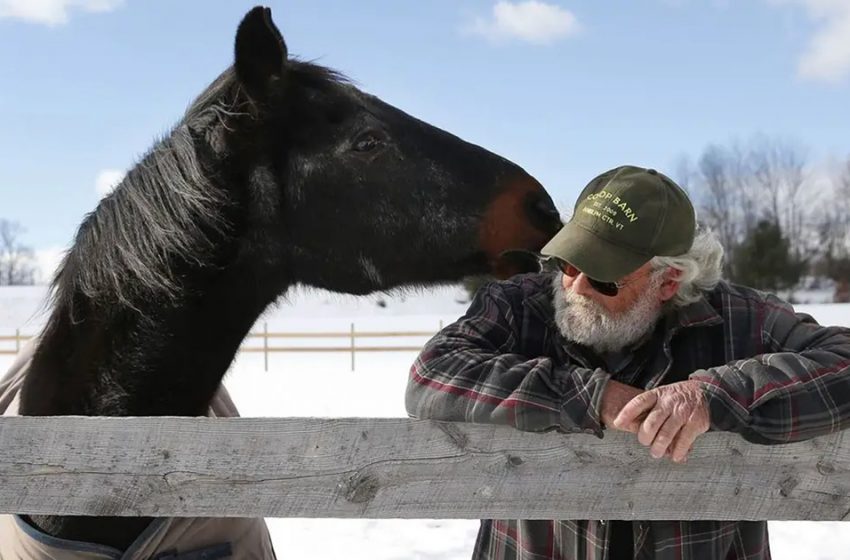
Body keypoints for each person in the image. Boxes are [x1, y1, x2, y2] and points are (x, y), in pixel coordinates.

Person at [406, 164, 850, 560]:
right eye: (567, 262)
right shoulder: (518, 307)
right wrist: (589, 396)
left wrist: (714, 395)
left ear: (669, 280)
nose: (576, 286)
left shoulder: (738, 320)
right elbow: (433, 374)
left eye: (603, 276)